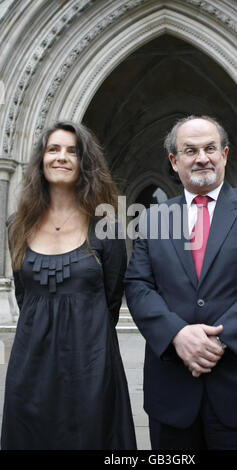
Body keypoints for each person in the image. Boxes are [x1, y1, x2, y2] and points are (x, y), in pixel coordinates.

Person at [124, 115, 237, 450]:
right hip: (173, 393)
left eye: (210, 148)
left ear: (225, 154)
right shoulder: (154, 218)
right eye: (190, 150)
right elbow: (138, 286)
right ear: (174, 161)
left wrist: (220, 339)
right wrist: (177, 334)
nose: (202, 157)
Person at [1, 121, 137, 450]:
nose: (61, 157)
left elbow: (111, 301)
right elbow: (25, 296)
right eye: (53, 149)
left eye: (72, 151)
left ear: (83, 163)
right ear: (41, 160)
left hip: (91, 366)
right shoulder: (16, 227)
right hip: (31, 367)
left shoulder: (107, 228)